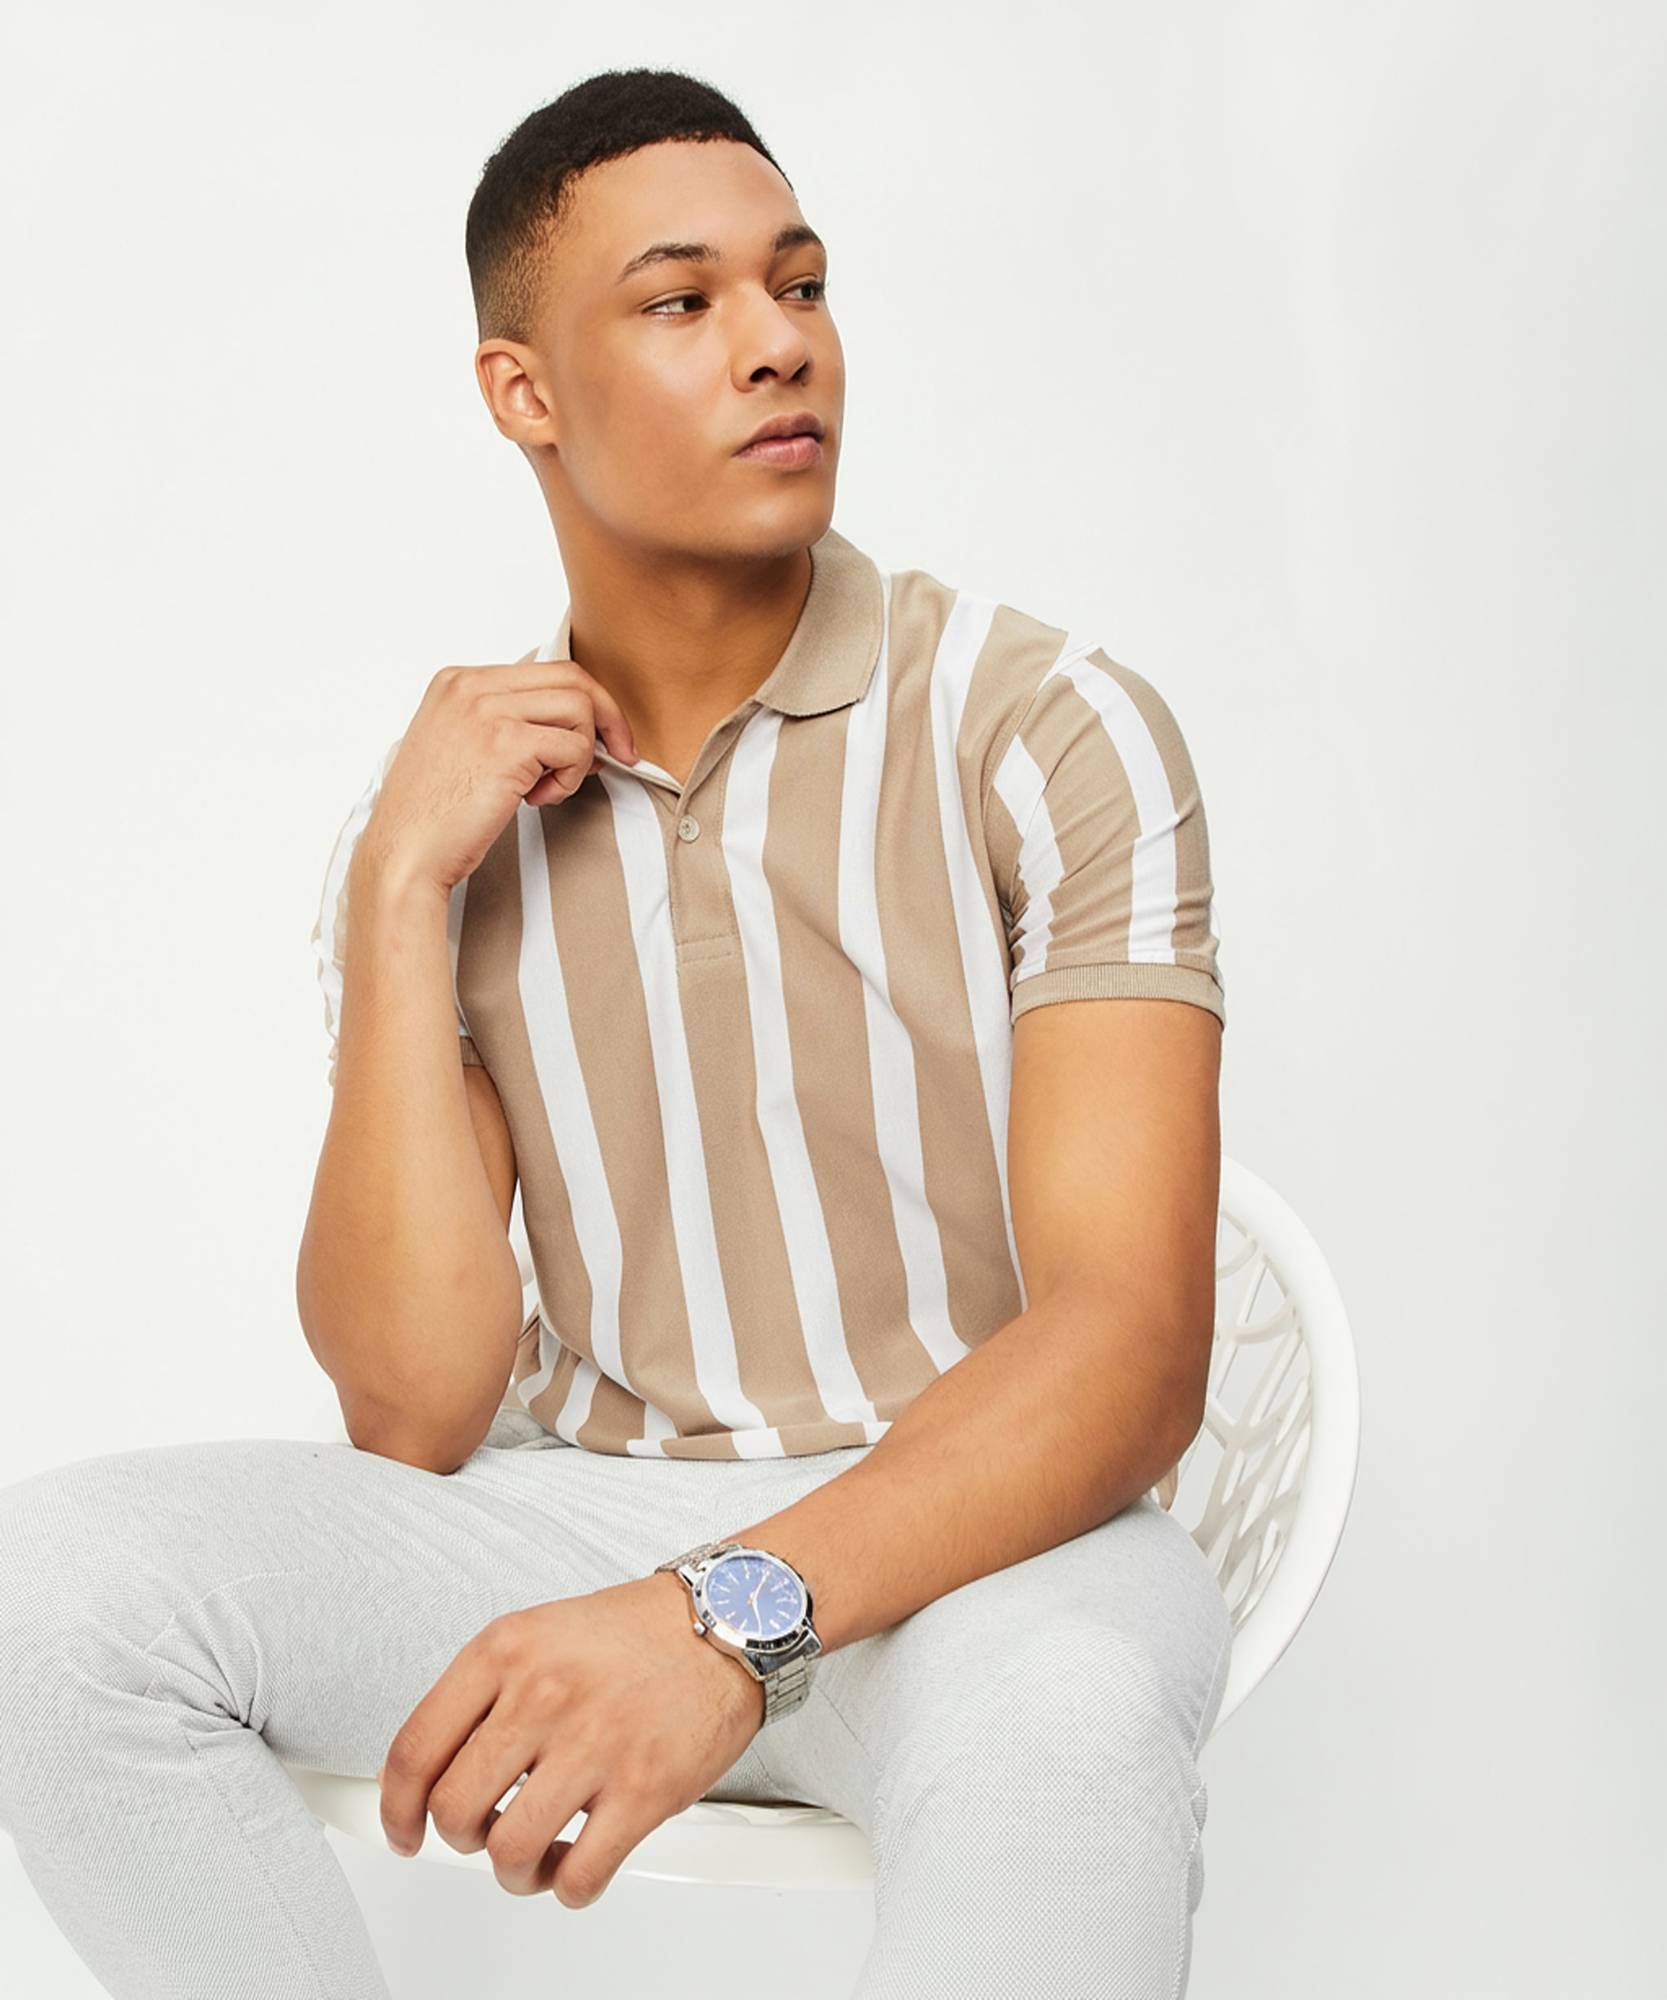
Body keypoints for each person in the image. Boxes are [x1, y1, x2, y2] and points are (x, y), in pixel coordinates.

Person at [0, 65, 1234, 1998]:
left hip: (994, 1532)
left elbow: (1133, 1350)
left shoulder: (1045, 726)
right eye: (683, 301)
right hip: (577, 1510)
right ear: (525, 393)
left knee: (1068, 1730)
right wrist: (397, 900)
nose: (777, 343)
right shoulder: (444, 817)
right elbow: (412, 1408)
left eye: (800, 285)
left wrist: (716, 1617)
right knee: (47, 1601)